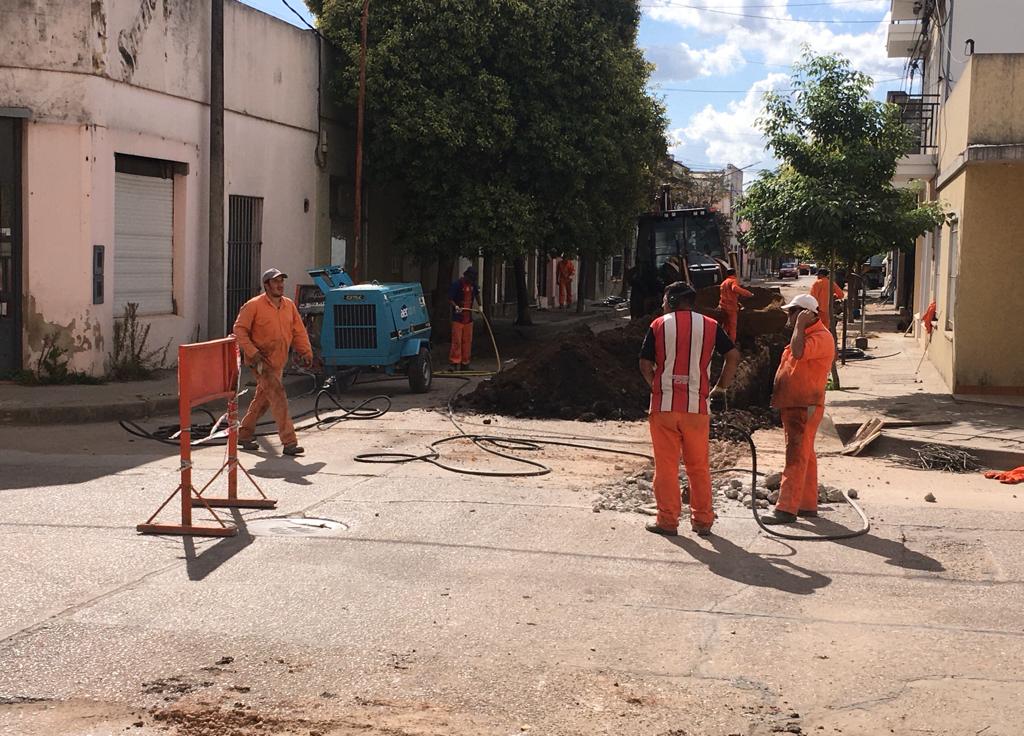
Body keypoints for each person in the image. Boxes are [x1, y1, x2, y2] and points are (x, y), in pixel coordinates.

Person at [639, 281, 742, 537]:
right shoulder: (710, 325)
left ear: (672, 301)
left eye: (665, 301)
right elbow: (733, 356)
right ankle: (703, 521)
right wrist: (721, 388)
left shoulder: (658, 325)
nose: (663, 306)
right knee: (698, 467)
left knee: (666, 467)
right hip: (697, 408)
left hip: (664, 408)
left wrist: (657, 386)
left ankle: (667, 521)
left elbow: (644, 362)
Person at [760, 293, 836, 525]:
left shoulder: (820, 337)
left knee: (795, 456)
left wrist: (801, 325)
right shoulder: (807, 334)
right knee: (806, 455)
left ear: (807, 314)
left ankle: (786, 508)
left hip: (805, 405)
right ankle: (806, 503)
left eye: (793, 312)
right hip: (796, 404)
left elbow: (799, 352)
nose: (790, 316)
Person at [233, 267, 314, 456]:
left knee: (263, 400)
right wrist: (252, 352)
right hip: (261, 361)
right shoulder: (254, 305)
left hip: (279, 361)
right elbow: (239, 329)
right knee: (278, 396)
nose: (280, 285)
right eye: (275, 282)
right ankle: (289, 442)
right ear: (266, 285)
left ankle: (244, 434)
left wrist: (306, 351)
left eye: (281, 281)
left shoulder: (288, 305)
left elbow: (298, 331)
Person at [448, 266, 481, 370]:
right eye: (470, 279)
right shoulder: (457, 284)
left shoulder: (473, 285)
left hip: (468, 319)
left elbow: (477, 294)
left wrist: (480, 306)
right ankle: (454, 363)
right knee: (457, 341)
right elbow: (450, 298)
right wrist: (455, 306)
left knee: (467, 342)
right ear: (466, 276)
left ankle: (465, 363)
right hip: (458, 318)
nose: (471, 281)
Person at [718, 267, 754, 342]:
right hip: (731, 308)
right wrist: (748, 294)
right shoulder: (733, 281)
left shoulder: (723, 283)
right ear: (734, 274)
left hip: (723, 307)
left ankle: (720, 342)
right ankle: (731, 345)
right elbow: (735, 288)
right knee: (732, 327)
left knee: (725, 326)